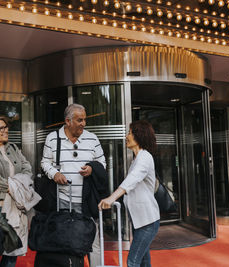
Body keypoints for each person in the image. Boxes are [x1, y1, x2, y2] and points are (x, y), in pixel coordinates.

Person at [41, 103, 106, 267]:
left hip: (87, 200)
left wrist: (92, 169)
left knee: (94, 241)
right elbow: (45, 162)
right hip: (62, 199)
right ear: (68, 121)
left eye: (84, 120)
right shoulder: (52, 138)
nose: (83, 123)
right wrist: (54, 174)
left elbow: (102, 162)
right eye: (79, 120)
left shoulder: (92, 138)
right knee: (65, 240)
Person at [98, 120, 160, 267]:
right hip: (141, 220)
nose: (126, 136)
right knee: (144, 261)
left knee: (132, 261)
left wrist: (111, 198)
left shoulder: (144, 158)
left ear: (139, 136)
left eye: (130, 133)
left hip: (148, 221)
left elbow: (131, 181)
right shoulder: (136, 159)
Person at [0, 116, 37, 267]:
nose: (5, 131)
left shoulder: (12, 147)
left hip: (16, 205)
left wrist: (16, 187)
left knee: (12, 249)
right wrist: (15, 187)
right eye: (1, 128)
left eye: (6, 127)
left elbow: (27, 168)